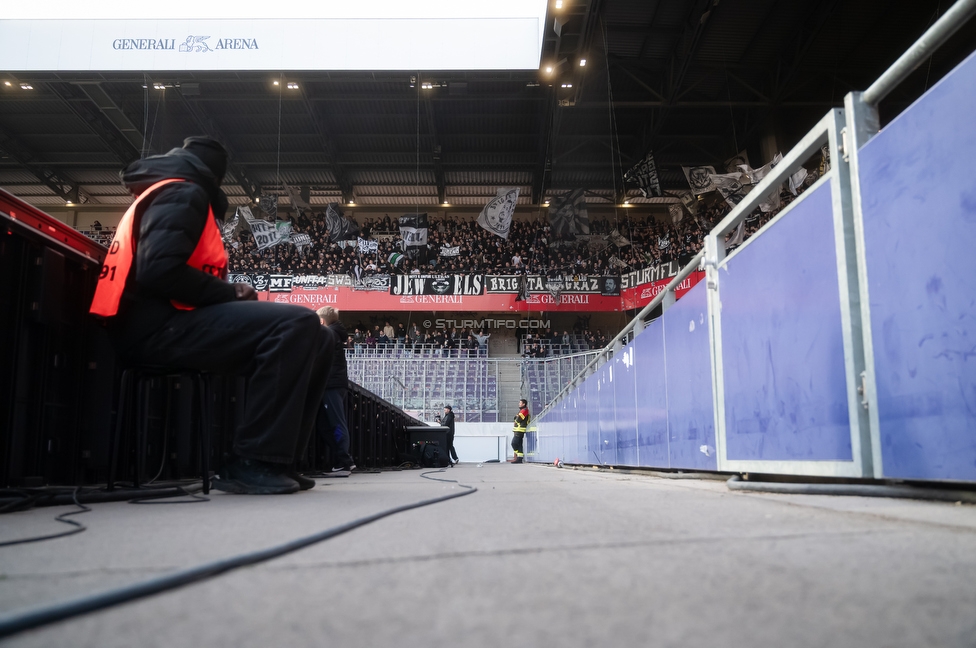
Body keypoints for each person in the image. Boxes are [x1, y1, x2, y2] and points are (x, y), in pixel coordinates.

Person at [90, 136, 335, 495]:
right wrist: (230, 292)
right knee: (296, 322)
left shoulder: (178, 191)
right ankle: (251, 460)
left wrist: (227, 294)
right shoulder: (183, 192)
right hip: (154, 329)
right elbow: (158, 270)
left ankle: (279, 459)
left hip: (169, 323)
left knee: (322, 337)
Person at [315, 306, 356, 476]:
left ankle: (344, 462)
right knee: (325, 425)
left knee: (336, 423)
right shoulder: (335, 334)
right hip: (332, 384)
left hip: (331, 385)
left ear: (322, 321)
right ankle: (343, 459)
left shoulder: (328, 335)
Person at [511, 398, 530, 463]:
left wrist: (516, 419)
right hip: (518, 429)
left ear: (524, 404)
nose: (519, 404)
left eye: (520, 403)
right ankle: (519, 458)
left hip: (520, 430)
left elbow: (518, 419)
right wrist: (516, 418)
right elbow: (516, 417)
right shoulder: (522, 410)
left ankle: (518, 456)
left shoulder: (524, 410)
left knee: (514, 443)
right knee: (519, 444)